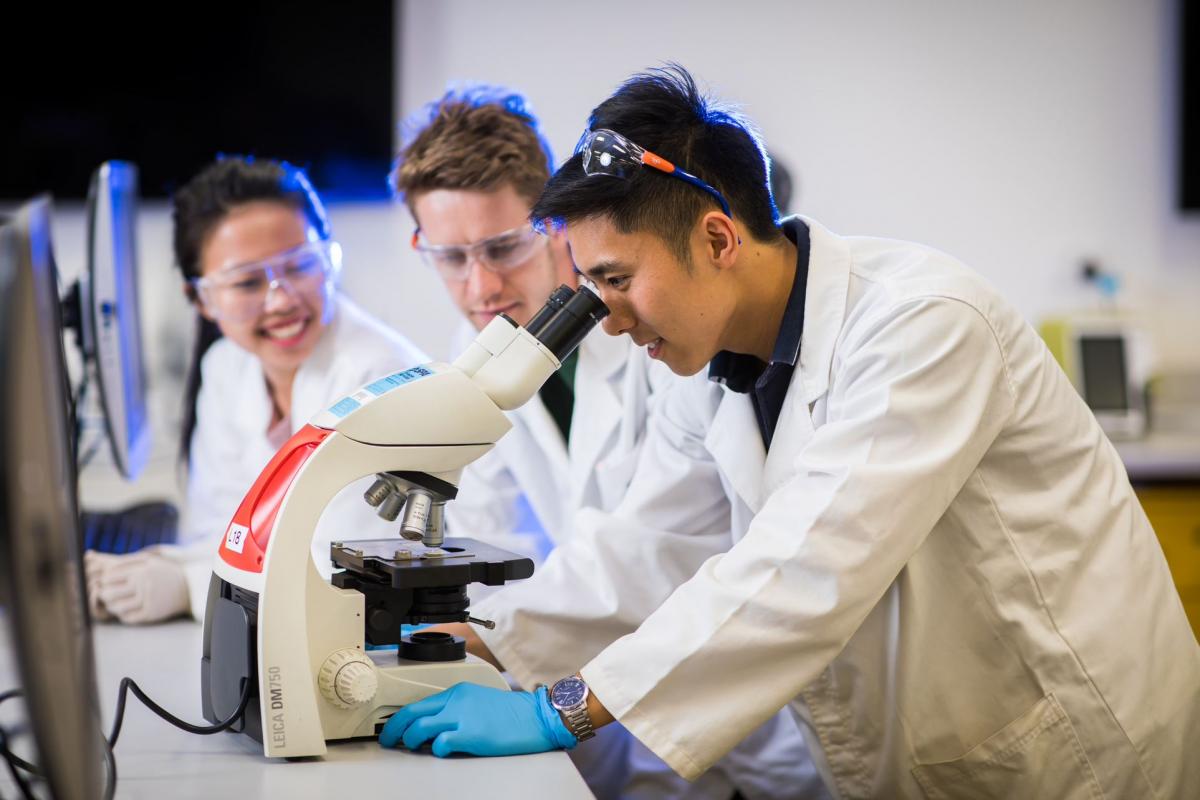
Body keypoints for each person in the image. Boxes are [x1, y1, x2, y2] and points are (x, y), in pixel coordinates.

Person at [379, 65, 1200, 799]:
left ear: (717, 237)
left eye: (617, 279)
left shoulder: (925, 324)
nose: (606, 313)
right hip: (920, 753)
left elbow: (810, 570)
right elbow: (646, 546)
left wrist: (563, 709)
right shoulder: (707, 368)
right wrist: (486, 644)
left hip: (1073, 753)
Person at [390, 85, 825, 799]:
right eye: (448, 257)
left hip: (753, 711)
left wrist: (521, 670)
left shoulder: (672, 335)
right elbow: (495, 540)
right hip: (635, 711)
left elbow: (651, 548)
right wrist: (457, 637)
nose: (481, 285)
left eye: (503, 246)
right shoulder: (482, 361)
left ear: (553, 227)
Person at [86, 157, 426, 624]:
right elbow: (219, 530)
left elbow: (349, 569)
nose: (282, 299)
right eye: (247, 282)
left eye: (301, 266)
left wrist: (187, 585)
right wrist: (156, 568)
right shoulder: (227, 366)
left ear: (329, 258)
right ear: (201, 298)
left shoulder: (380, 373)